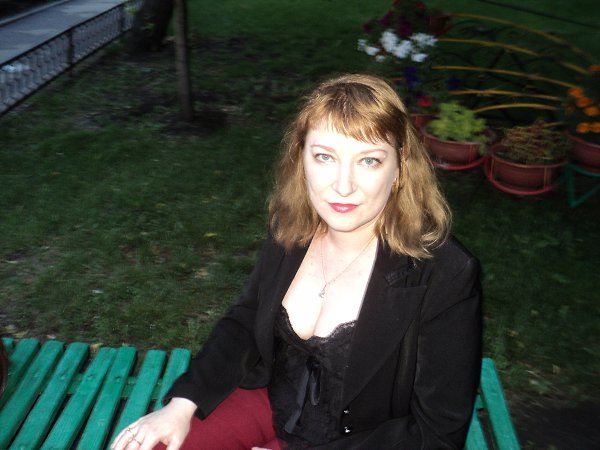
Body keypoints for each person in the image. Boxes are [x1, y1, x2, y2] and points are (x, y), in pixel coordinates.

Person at [111, 74, 482, 450]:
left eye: (369, 160)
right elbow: (246, 319)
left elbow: (437, 434)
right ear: (301, 157)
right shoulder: (292, 229)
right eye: (325, 157)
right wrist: (182, 405)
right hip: (270, 402)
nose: (343, 185)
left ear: (399, 167)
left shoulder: (445, 273)